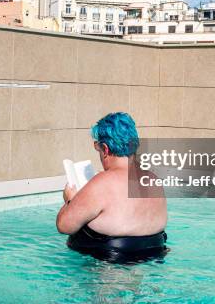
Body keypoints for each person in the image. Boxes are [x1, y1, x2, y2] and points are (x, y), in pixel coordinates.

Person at [56, 112, 167, 263]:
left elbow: (64, 226)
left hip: (111, 270)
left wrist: (69, 200)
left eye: (98, 147)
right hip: (154, 259)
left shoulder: (102, 183)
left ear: (105, 149)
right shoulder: (154, 180)